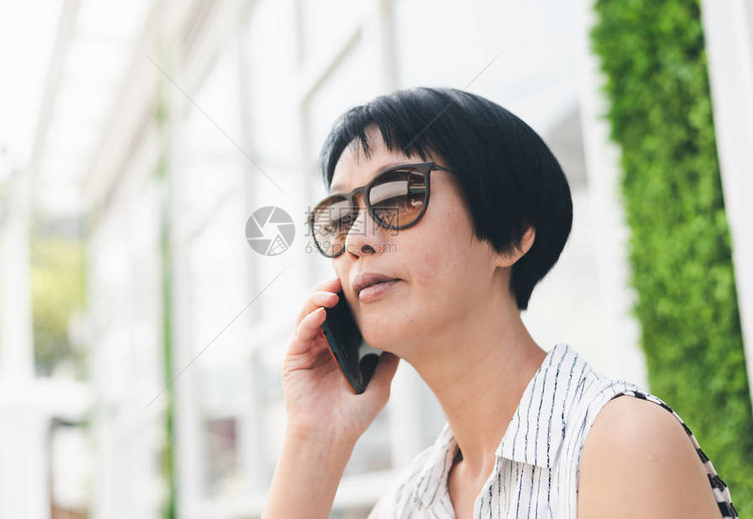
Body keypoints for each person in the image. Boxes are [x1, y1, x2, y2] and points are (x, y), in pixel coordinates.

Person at [261, 87, 737, 518]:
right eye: (340, 216)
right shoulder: (404, 506)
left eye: (400, 195)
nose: (358, 240)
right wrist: (314, 440)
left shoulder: (619, 445)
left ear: (510, 237)